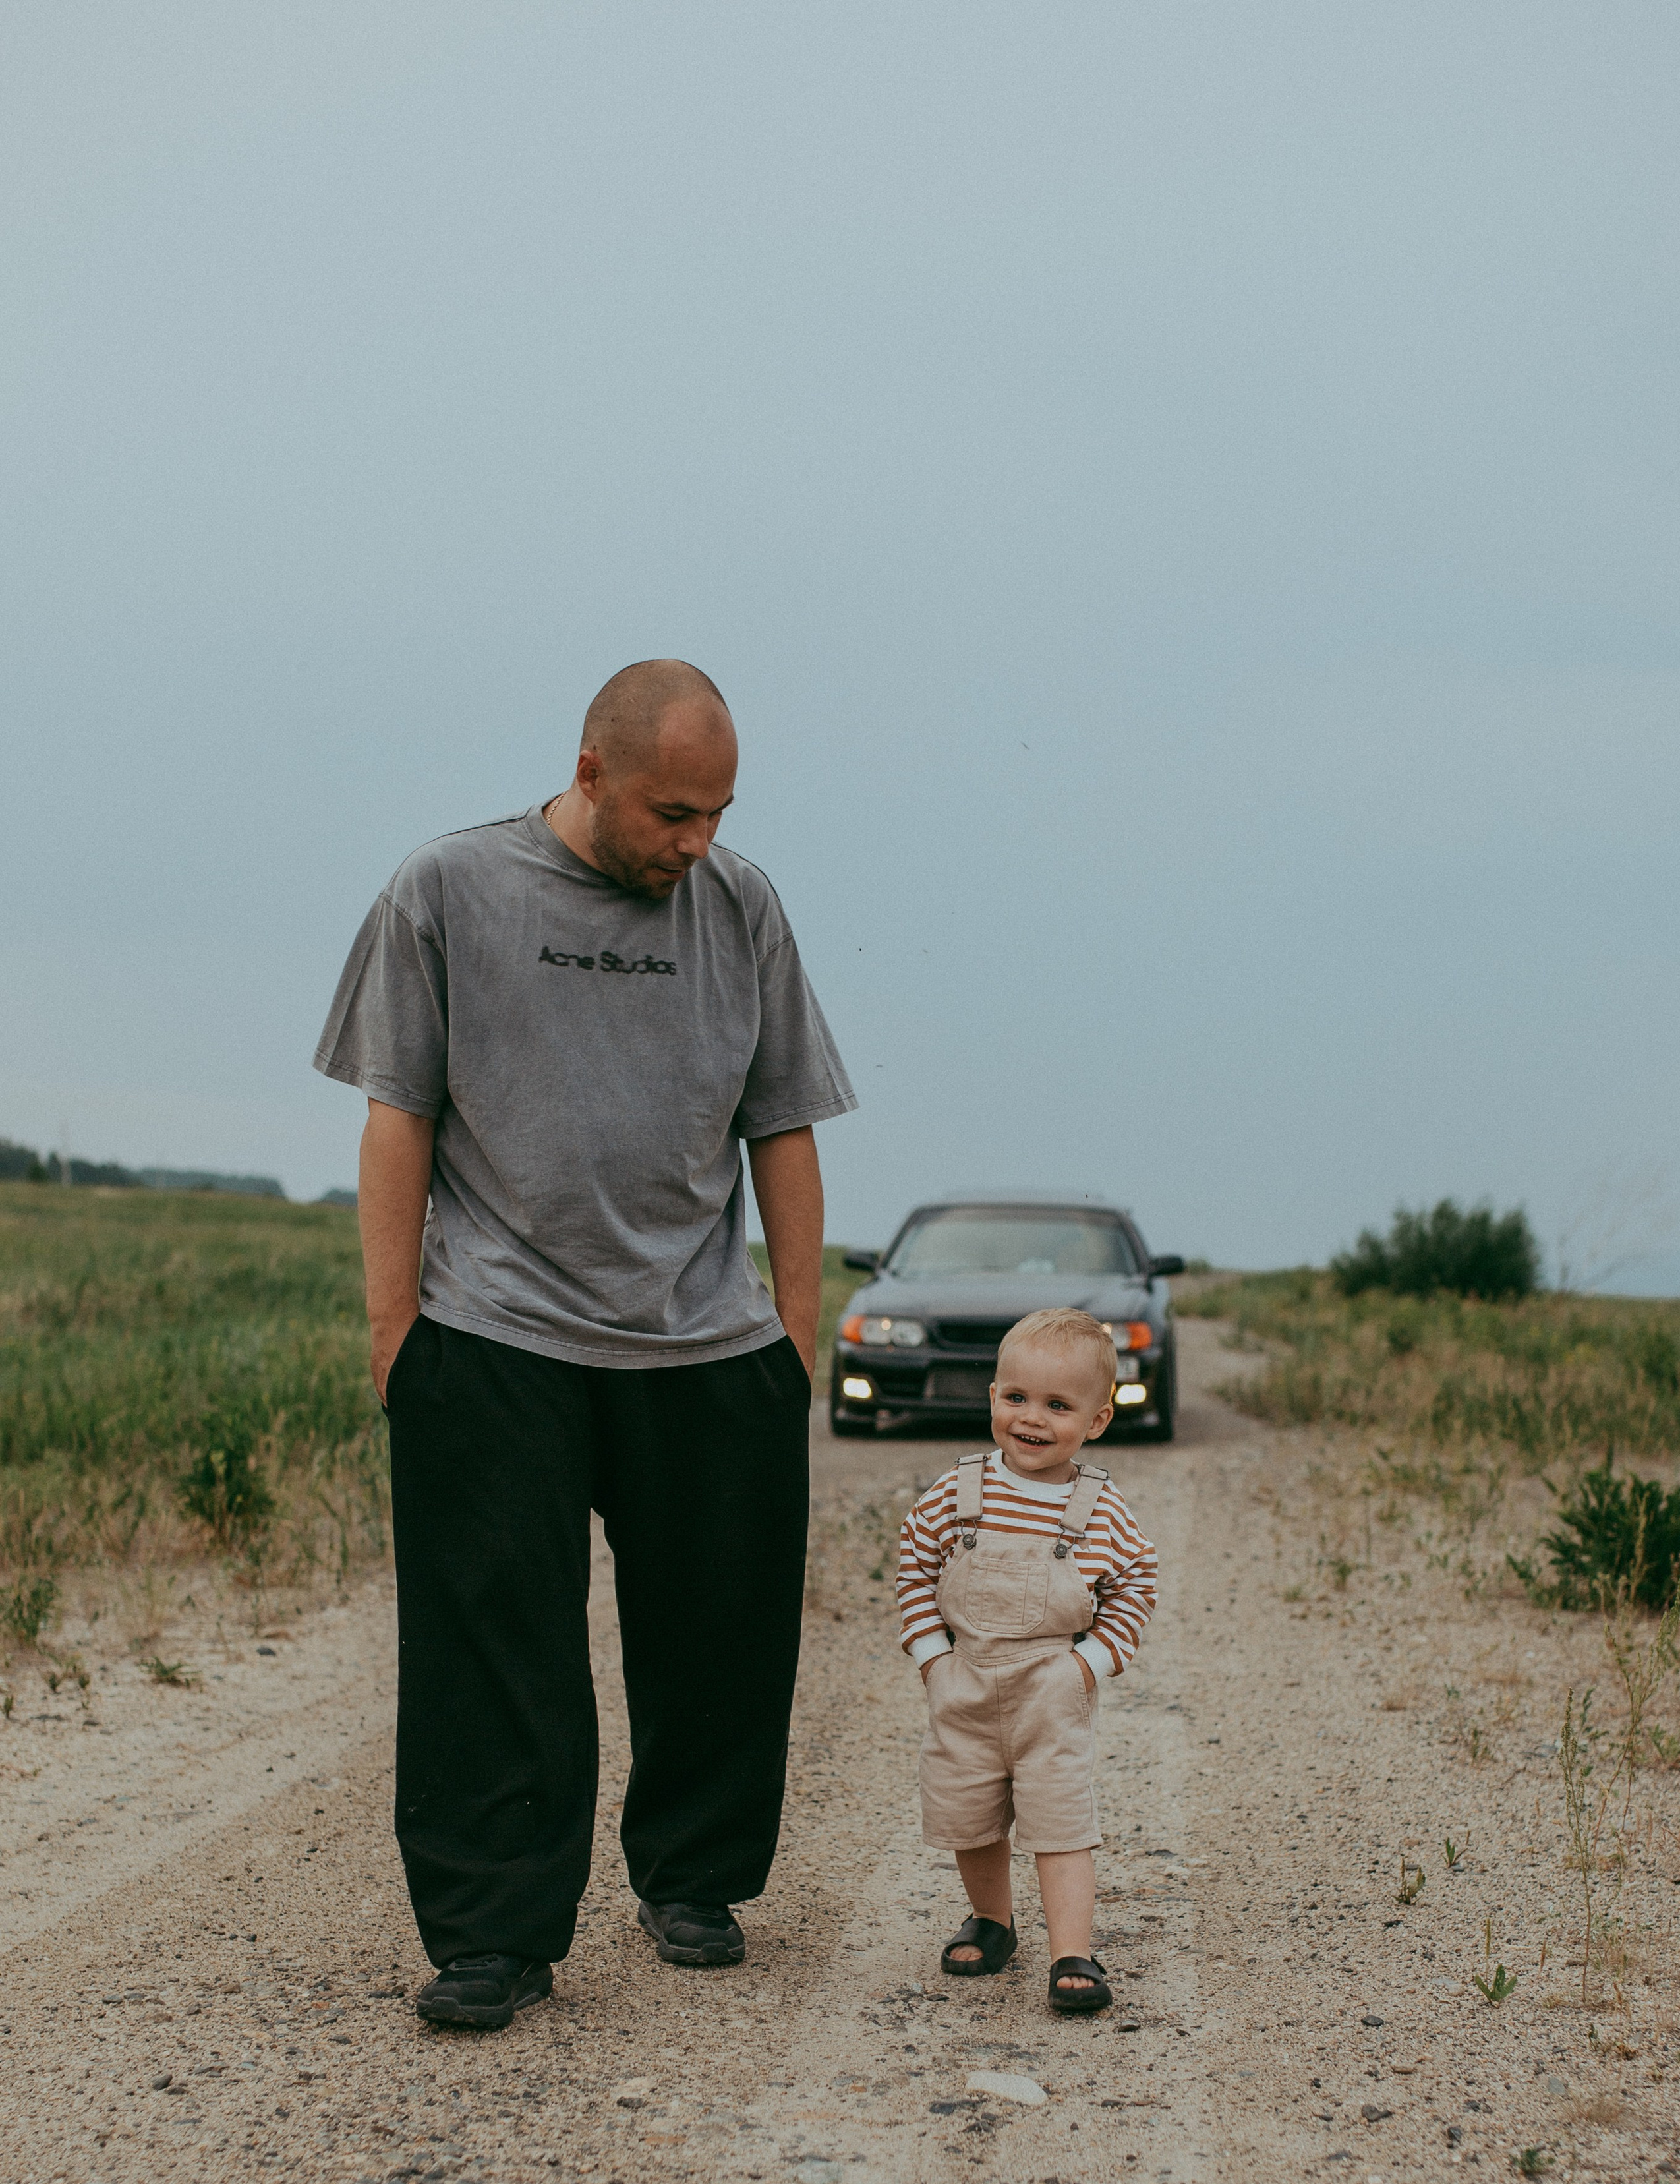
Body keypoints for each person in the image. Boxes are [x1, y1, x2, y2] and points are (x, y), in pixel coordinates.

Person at [314, 659, 855, 2029]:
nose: (699, 843)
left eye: (719, 812)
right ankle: (494, 1935)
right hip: (498, 1331)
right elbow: (398, 1117)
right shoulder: (447, 890)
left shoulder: (741, 905)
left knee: (721, 1633)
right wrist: (397, 1334)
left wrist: (794, 1333)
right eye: (675, 811)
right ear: (592, 769)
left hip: (704, 1335)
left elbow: (782, 1121)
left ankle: (693, 1879)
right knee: (494, 1646)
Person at [894, 1308, 1157, 2015]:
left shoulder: (1099, 1508)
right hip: (965, 1680)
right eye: (1016, 1398)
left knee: (1060, 1819)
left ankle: (1074, 1951)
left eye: (1057, 1405)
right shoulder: (958, 1492)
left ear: (1097, 1420)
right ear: (991, 1397)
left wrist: (1090, 1664)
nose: (1031, 1419)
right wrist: (931, 1658)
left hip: (1051, 1689)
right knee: (969, 1813)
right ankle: (994, 1920)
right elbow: (914, 1568)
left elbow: (1136, 1582)